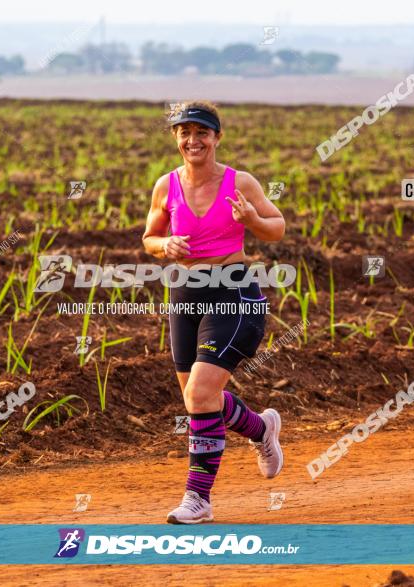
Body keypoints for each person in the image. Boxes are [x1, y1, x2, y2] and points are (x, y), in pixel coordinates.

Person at [142, 101, 287, 524]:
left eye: (202, 132)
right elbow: (149, 236)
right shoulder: (165, 186)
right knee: (198, 399)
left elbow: (277, 227)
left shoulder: (239, 182)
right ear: (176, 139)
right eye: (185, 133)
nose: (193, 140)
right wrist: (163, 247)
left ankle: (198, 500)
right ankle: (261, 430)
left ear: (217, 137)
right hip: (185, 295)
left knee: (200, 396)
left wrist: (252, 218)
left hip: (233, 293)